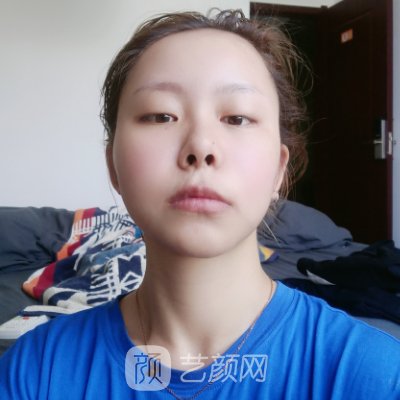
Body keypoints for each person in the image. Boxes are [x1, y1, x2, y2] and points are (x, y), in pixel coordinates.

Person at [0, 9, 399, 399]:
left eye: (237, 118)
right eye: (160, 115)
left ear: (279, 170)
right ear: (113, 166)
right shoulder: (36, 370)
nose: (201, 146)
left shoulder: (374, 374)